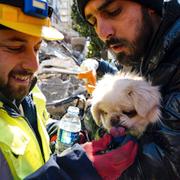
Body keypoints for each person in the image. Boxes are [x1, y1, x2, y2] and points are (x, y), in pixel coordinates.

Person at [0, 1, 138, 180]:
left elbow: (36, 127)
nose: (34, 65)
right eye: (15, 47)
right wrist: (73, 172)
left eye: (37, 48)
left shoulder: (26, 92)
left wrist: (59, 134)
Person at [76, 0, 180, 179]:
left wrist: (75, 169)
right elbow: (126, 89)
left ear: (150, 6)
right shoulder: (150, 49)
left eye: (114, 11)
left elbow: (163, 165)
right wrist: (98, 65)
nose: (102, 32)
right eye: (93, 22)